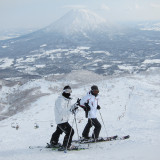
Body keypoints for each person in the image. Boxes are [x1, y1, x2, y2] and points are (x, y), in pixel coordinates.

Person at [49, 85, 78, 151]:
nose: (68, 93)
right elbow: (62, 111)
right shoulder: (60, 100)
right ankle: (66, 146)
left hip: (63, 119)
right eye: (67, 91)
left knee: (58, 131)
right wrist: (71, 110)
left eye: (70, 91)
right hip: (61, 120)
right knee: (70, 131)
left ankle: (53, 142)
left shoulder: (67, 100)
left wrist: (75, 105)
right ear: (64, 91)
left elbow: (68, 108)